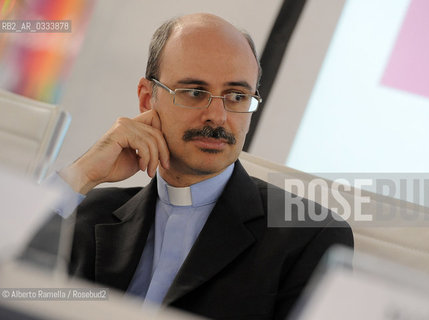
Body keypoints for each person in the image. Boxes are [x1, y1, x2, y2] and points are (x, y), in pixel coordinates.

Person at [53, 13, 353, 320]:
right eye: (195, 93)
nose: (218, 116)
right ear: (147, 98)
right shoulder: (89, 212)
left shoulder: (307, 237)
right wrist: (83, 174)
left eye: (237, 96)